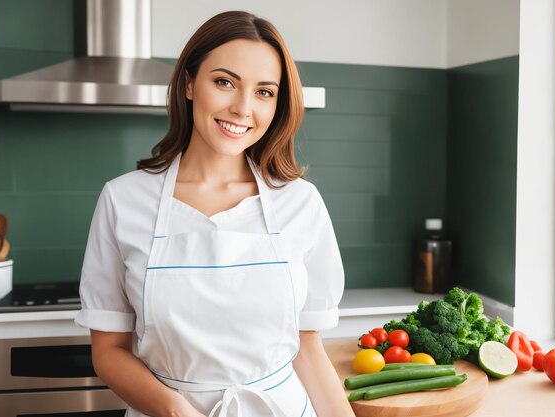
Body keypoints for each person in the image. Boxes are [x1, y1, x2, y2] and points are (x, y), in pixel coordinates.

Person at [75, 10, 355, 417]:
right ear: (189, 84)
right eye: (225, 82)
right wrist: (177, 410)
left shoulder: (300, 202)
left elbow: (307, 348)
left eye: (264, 92)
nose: (243, 108)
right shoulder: (123, 200)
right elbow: (108, 352)